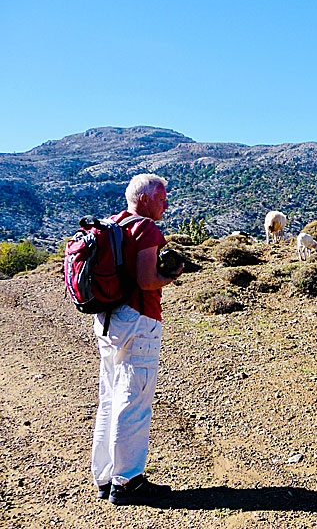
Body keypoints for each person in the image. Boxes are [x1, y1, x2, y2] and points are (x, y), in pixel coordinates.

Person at [90, 173, 183, 506]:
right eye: (161, 197)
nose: (165, 203)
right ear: (144, 199)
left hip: (108, 320)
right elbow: (146, 281)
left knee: (110, 397)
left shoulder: (113, 224)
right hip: (138, 321)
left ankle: (104, 478)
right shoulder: (145, 229)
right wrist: (171, 275)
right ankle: (128, 481)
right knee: (135, 398)